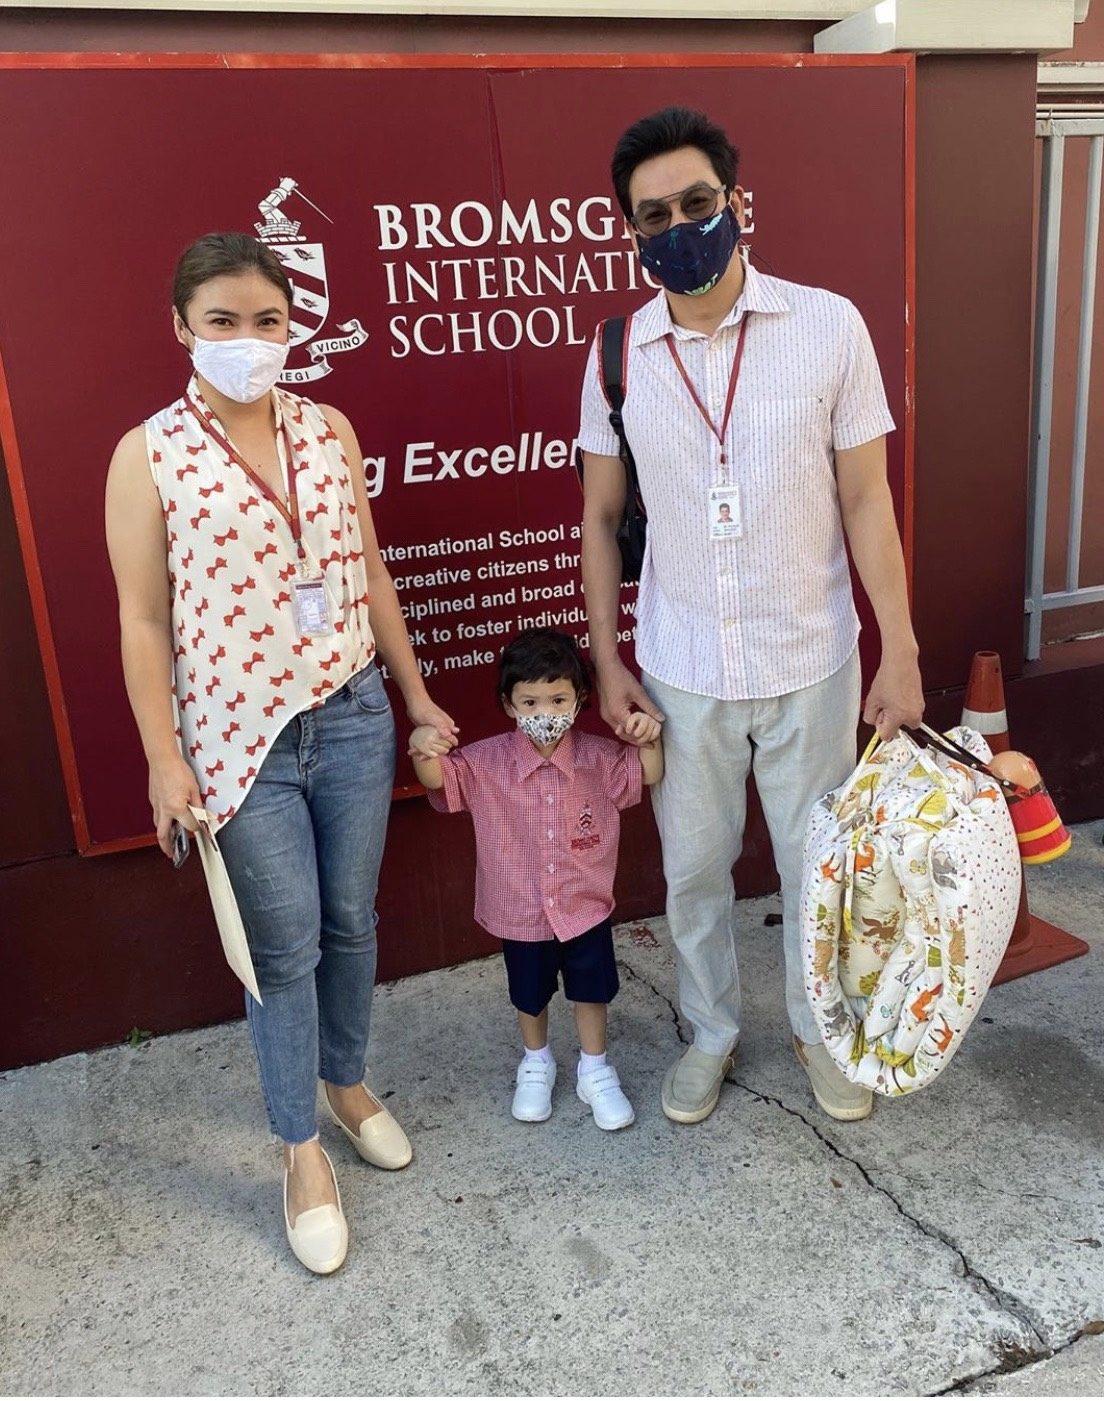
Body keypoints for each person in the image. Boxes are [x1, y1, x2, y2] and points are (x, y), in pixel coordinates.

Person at [105, 232, 456, 1275]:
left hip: (350, 715)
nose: (248, 339)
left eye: (267, 320)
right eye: (223, 320)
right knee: (281, 947)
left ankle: (344, 1084)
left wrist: (415, 695)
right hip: (238, 739)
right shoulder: (147, 455)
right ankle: (300, 1149)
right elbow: (142, 620)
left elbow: (371, 572)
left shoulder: (327, 427)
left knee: (351, 921)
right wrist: (163, 758)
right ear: (181, 327)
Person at [578, 107, 923, 1127]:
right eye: (654, 215)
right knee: (694, 876)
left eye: (697, 202)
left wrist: (900, 649)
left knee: (820, 872)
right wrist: (608, 663)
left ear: (735, 201)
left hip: (811, 658)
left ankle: (820, 1032)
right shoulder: (618, 356)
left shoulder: (828, 327)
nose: (679, 226)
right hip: (682, 668)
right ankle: (711, 1032)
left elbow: (867, 499)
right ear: (631, 231)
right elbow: (599, 518)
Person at [409, 629, 663, 1130]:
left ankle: (595, 1067)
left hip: (584, 905)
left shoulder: (599, 758)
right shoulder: (484, 762)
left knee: (592, 988)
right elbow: (440, 780)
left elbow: (647, 774)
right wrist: (422, 748)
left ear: (580, 699)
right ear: (509, 705)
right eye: (530, 701)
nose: (544, 711)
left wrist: (647, 738)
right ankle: (536, 1060)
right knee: (529, 991)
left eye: (558, 699)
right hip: (519, 908)